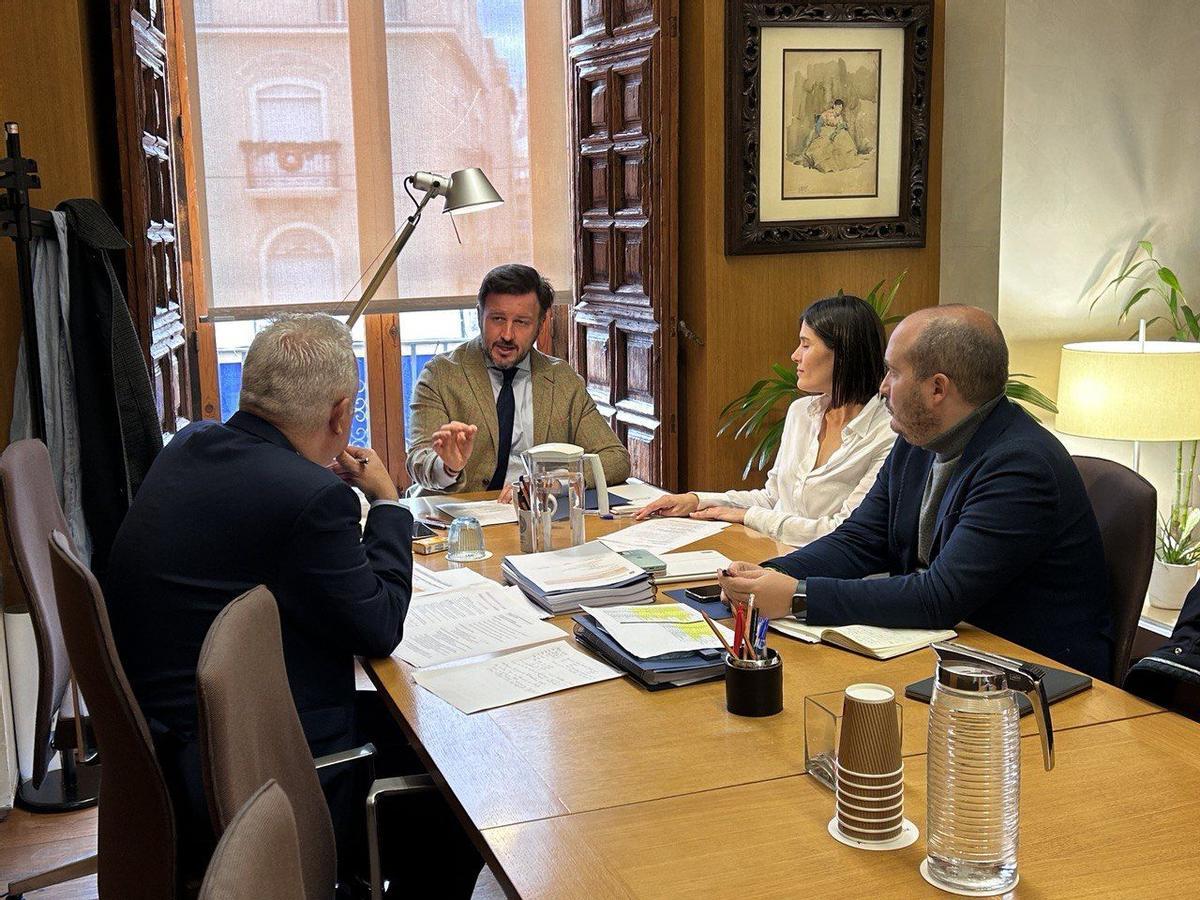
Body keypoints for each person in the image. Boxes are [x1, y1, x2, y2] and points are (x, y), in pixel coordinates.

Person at [103, 314, 414, 880]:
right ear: (341, 413)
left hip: (169, 745)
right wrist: (389, 504)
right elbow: (379, 625)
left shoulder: (191, 442)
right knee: (444, 778)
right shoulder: (312, 498)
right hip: (243, 771)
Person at [717, 305, 1113, 680]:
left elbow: (940, 596)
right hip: (949, 650)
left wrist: (797, 596)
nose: (883, 387)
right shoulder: (917, 438)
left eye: (892, 372)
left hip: (1030, 671)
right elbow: (861, 540)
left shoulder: (1020, 466)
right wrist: (775, 573)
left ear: (937, 388)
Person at [636, 295, 895, 546]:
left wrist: (748, 516)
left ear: (843, 353)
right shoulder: (801, 412)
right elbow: (774, 499)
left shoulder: (888, 435)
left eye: (806, 345)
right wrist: (696, 500)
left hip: (831, 574)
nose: (795, 355)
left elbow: (842, 531)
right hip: (774, 550)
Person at [407, 263, 630, 498]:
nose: (507, 335)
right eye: (497, 319)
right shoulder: (441, 374)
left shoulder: (561, 379)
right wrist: (448, 467)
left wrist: (555, 482)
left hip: (534, 519)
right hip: (457, 522)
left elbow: (615, 458)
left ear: (541, 324)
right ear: (479, 315)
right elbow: (417, 460)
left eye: (521, 322)